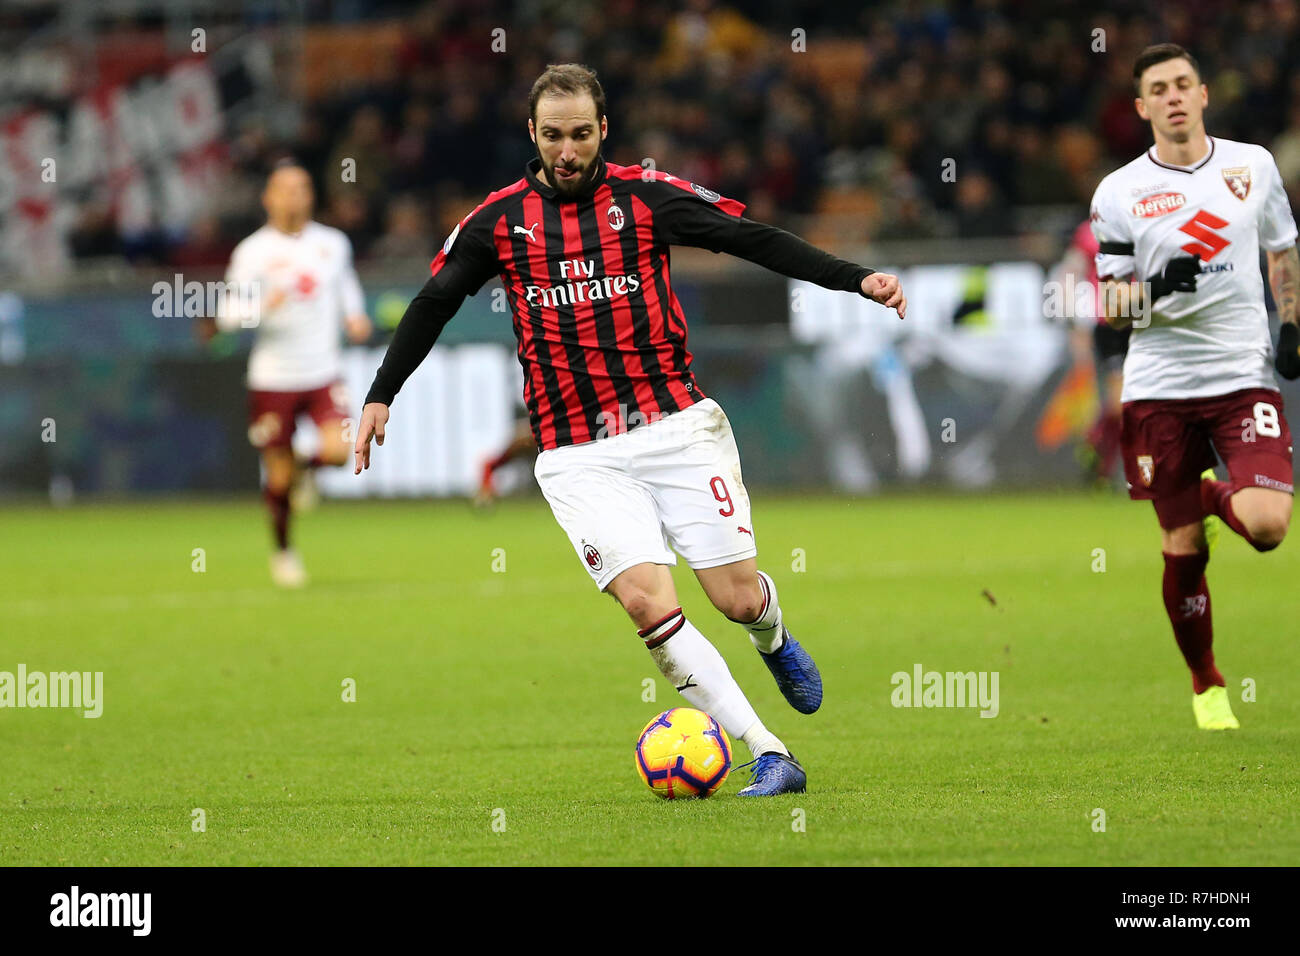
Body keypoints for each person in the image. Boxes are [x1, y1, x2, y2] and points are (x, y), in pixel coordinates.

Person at [352, 64, 906, 795]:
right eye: (553, 136)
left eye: (581, 134)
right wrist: (380, 394)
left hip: (675, 427)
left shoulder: (646, 198)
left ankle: (770, 634)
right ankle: (770, 752)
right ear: (533, 135)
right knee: (649, 601)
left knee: (735, 599)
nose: (568, 150)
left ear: (604, 130)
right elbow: (433, 301)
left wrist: (855, 277)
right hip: (577, 453)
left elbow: (753, 240)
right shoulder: (498, 221)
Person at [1090, 44, 1299, 730]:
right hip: (1159, 387)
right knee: (1184, 546)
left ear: (1204, 94)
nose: (1174, 96)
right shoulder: (1118, 192)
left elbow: (1281, 248)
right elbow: (1112, 306)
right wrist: (1155, 288)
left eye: (1184, 84)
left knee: (1269, 527)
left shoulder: (1253, 166)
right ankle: (1207, 682)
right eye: (1160, 88)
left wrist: (1292, 321)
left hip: (1242, 375)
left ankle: (1212, 492)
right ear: (1142, 106)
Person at [212, 161, 373, 587]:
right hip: (273, 378)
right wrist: (262, 307)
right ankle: (284, 552)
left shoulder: (332, 244)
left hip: (323, 370)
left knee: (340, 453)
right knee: (278, 478)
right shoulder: (253, 253)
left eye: (302, 189)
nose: (294, 197)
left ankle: (305, 469)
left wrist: (354, 316)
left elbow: (345, 285)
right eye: (285, 189)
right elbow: (227, 316)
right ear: (268, 197)